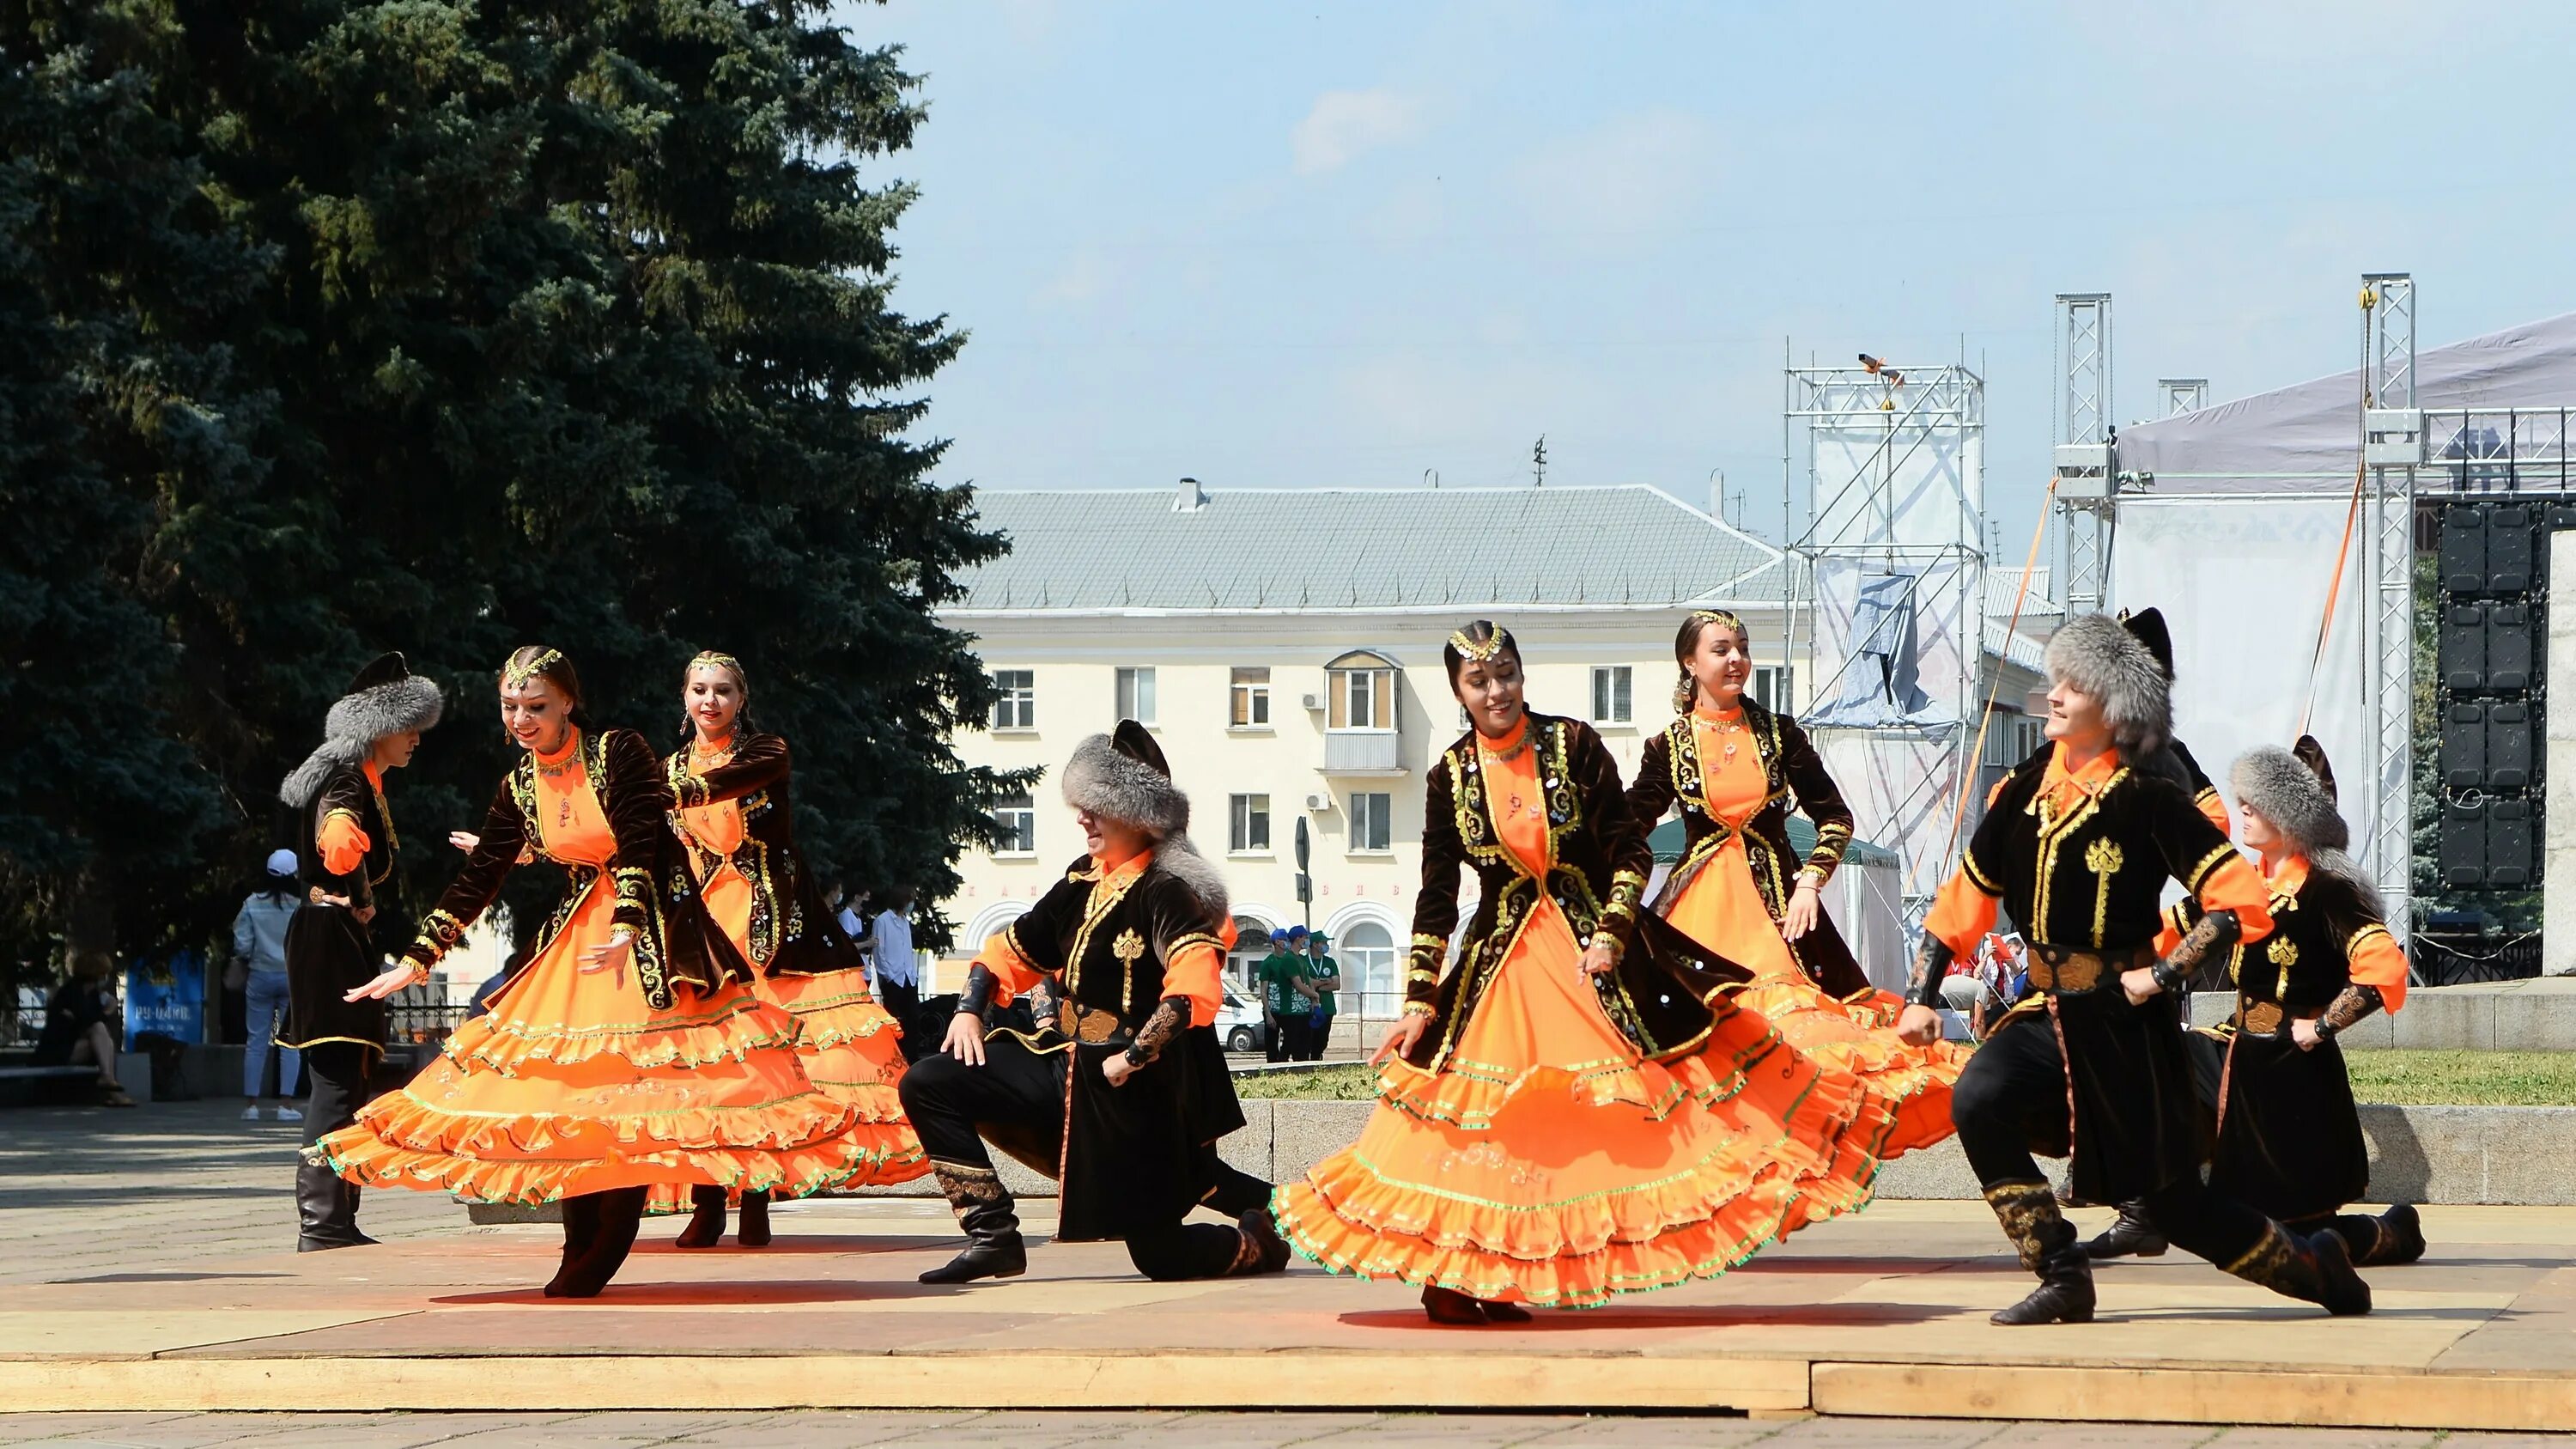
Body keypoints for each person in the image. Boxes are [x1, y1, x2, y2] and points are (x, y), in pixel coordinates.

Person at [1274, 620, 1883, 1324]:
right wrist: (1418, 997)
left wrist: (1614, 930)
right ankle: (1458, 1273)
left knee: (1627, 1111)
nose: (1496, 690)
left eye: (1506, 673)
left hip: (1594, 957)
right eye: (1480, 681)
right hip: (1499, 966)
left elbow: (1630, 848)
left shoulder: (1574, 743)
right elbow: (1436, 894)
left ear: (1522, 675)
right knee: (1490, 1128)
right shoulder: (1448, 774)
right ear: (1458, 691)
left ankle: (1528, 1268)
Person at [310, 647, 866, 1297]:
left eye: (536, 706)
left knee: (634, 1096)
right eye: (510, 706)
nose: (521, 718)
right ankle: (581, 1248)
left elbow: (639, 839)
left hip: (655, 937)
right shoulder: (521, 781)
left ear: (568, 702)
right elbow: (480, 874)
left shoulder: (619, 750)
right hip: (577, 944)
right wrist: (415, 959)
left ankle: (609, 1246)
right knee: (566, 1096)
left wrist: (628, 923)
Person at [1894, 613, 2373, 1325]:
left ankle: (2321, 1270)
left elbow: (2237, 903)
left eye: (2073, 684)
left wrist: (2165, 975)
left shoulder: (2150, 800)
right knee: (1977, 1098)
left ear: (2115, 705)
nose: (2053, 695)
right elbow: (1960, 899)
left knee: (2180, 1208)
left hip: (2124, 1030)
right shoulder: (2025, 789)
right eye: (2055, 679)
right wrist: (1920, 996)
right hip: (2045, 1014)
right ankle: (2061, 1268)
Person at [898, 721, 1285, 1287]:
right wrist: (971, 1007)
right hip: (1067, 1066)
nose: (1082, 818)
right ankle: (993, 1235)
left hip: (1135, 1092)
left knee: (1163, 1252)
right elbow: (1013, 948)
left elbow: (1193, 988)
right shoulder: (1081, 882)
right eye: (1080, 805)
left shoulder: (1167, 890)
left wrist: (1132, 1055)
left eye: (1095, 806)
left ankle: (1262, 1238)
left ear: (1135, 810)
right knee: (929, 1080)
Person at [1628, 608, 1968, 1156]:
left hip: (1780, 912)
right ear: (1690, 663)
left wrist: (1811, 881)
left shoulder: (1778, 733)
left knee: (1800, 1035)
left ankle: (1791, 1151)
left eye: (1741, 646)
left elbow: (1836, 818)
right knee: (1706, 1038)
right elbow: (1627, 827)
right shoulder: (1667, 747)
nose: (1736, 657)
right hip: (1699, 915)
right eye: (1720, 649)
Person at [2089, 739, 2424, 1269]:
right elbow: (2168, 932)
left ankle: (2391, 1234)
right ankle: (2142, 1212)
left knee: (2300, 1232)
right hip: (2235, 1048)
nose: (2242, 811)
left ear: (2288, 819)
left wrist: (2320, 1028)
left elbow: (2383, 968)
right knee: (2144, 1067)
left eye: (2255, 804)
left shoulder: (2327, 891)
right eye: (2241, 801)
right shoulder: (2244, 884)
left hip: (2291, 1067)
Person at [652, 650, 926, 1248]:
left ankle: (755, 1198)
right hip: (700, 929)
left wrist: (659, 789)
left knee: (761, 1067)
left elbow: (718, 786)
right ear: (683, 695)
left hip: (763, 924)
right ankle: (708, 1201)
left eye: (723, 690)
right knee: (705, 1068)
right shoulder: (668, 765)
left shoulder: (765, 753)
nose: (710, 701)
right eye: (699, 688)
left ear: (741, 699)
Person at [275, 652, 443, 1249]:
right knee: (337, 1083)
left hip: (333, 934)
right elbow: (338, 837)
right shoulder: (347, 778)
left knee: (345, 1080)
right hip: (327, 940)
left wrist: (358, 893)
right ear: (377, 726)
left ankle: (335, 1219)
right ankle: (323, 1223)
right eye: (409, 725)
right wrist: (345, 865)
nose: (416, 737)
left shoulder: (354, 773)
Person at [232, 849, 305, 1122]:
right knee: (291, 1042)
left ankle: (251, 1105)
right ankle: (285, 1105)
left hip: (260, 976)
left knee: (255, 1041)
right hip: (291, 977)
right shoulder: (300, 906)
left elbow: (242, 945)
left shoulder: (251, 904)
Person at [32, 953, 134, 1107]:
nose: (105, 978)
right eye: (103, 974)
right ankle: (112, 1089)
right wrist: (107, 1012)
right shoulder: (70, 992)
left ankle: (109, 1084)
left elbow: (86, 1021)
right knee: (100, 1030)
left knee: (107, 1040)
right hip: (56, 1051)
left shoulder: (92, 995)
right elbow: (86, 1021)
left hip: (74, 1045)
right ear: (93, 974)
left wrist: (89, 1018)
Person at [864, 888, 920, 1029]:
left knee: (913, 1017)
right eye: (910, 901)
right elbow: (879, 951)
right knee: (893, 1018)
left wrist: (913, 973)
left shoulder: (905, 922)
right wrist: (888, 975)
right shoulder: (882, 921)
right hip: (893, 977)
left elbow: (907, 949)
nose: (911, 905)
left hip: (908, 976)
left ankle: (910, 1051)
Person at [1255, 928, 1302, 1063]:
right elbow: (1264, 990)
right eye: (1284, 940)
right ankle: (1272, 1065)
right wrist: (1268, 1014)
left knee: (1291, 1037)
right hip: (1273, 1009)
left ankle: (1283, 1060)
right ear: (1276, 942)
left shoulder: (1291, 959)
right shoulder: (1268, 963)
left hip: (1289, 1007)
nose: (1287, 942)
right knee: (1271, 1041)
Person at [1299, 929, 1340, 1061]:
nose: (1326, 945)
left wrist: (1316, 986)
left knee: (1323, 1039)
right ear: (1315, 944)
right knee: (1308, 1038)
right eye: (1323, 942)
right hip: (1308, 1007)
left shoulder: (1330, 962)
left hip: (1327, 1007)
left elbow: (1336, 984)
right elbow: (1304, 983)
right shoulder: (1303, 961)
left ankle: (1317, 1059)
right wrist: (1324, 982)